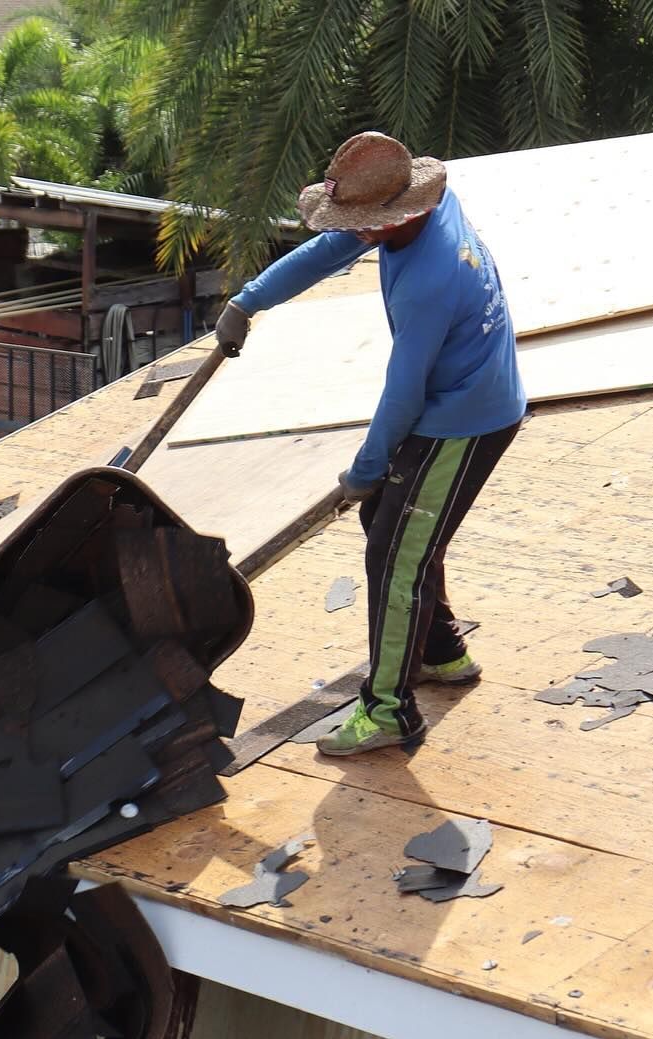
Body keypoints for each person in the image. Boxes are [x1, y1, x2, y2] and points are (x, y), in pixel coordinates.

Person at [216, 132, 526, 756]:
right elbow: (329, 250)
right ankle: (440, 652)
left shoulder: (431, 280)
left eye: (363, 226)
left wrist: (367, 466)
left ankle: (389, 712)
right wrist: (248, 302)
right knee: (393, 526)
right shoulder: (426, 206)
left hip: (464, 421)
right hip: (455, 401)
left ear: (399, 214)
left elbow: (403, 391)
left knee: (394, 557)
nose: (353, 234)